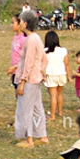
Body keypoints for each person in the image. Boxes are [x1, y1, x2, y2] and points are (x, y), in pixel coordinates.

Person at [13, 11, 49, 148]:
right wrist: (42, 72)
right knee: (36, 108)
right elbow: (43, 59)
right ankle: (42, 135)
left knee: (26, 109)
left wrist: (22, 82)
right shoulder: (37, 39)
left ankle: (29, 139)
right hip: (35, 78)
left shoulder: (30, 40)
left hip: (30, 80)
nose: (19, 23)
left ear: (25, 24)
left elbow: (28, 64)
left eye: (20, 21)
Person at [44, 31, 70, 120]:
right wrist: (68, 76)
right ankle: (60, 112)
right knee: (59, 94)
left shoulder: (45, 51)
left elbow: (43, 65)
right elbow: (66, 64)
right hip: (62, 74)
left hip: (51, 75)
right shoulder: (63, 50)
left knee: (53, 96)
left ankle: (52, 115)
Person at [6, 14, 26, 91]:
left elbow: (26, 58)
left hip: (21, 72)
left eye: (13, 23)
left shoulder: (24, 39)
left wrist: (15, 67)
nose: (11, 25)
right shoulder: (15, 37)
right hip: (15, 72)